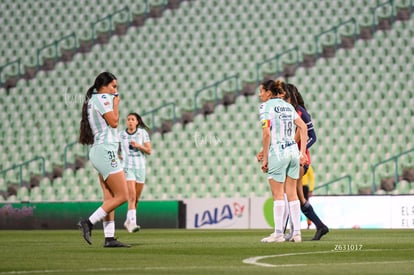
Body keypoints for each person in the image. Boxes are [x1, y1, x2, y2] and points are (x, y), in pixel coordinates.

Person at [78, 72, 130, 248]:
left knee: (110, 197)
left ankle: (109, 238)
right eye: (113, 86)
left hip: (100, 150)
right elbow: (114, 122)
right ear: (104, 86)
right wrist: (116, 104)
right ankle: (89, 222)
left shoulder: (93, 99)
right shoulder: (104, 98)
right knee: (124, 195)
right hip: (105, 150)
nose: (115, 90)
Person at [259, 79, 308, 243]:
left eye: (261, 91)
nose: (260, 95)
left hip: (278, 153)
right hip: (293, 152)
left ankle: (279, 233)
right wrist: (302, 152)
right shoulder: (288, 106)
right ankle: (297, 234)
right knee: (292, 194)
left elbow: (266, 134)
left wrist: (265, 158)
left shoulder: (266, 107)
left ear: (268, 92)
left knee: (278, 194)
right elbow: (304, 127)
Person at [284, 83, 329, 241]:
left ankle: (291, 232)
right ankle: (319, 226)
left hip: (301, 160)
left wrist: (299, 152)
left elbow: (313, 137)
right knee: (297, 196)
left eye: (283, 95)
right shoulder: (288, 113)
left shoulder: (301, 112)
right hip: (292, 158)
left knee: (291, 193)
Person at [119, 112, 152, 233]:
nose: (130, 121)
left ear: (137, 122)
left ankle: (128, 221)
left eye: (133, 119)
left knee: (136, 198)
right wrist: (119, 156)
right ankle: (132, 223)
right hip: (127, 167)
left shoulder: (142, 133)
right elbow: (115, 149)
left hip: (140, 168)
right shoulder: (121, 135)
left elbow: (149, 150)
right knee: (131, 196)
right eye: (128, 119)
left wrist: (139, 146)